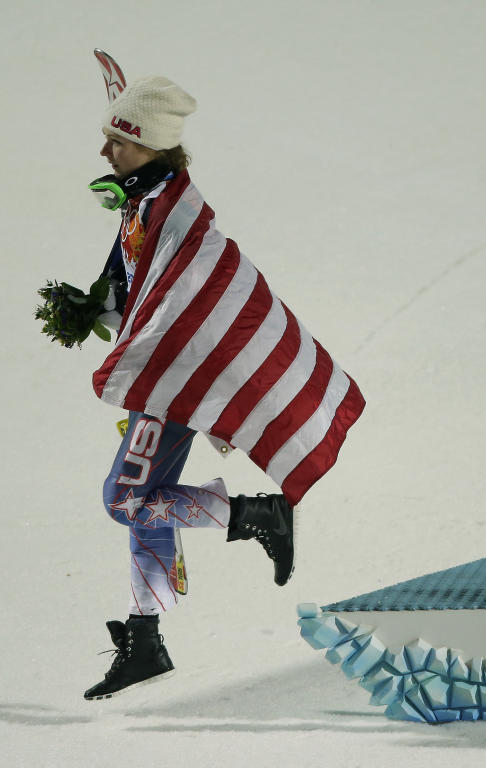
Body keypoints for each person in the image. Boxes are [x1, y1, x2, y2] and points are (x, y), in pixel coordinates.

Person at [82, 76, 365, 700]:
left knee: (125, 500)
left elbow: (186, 301)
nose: (105, 154)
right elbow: (140, 284)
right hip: (166, 376)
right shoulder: (144, 202)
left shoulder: (172, 211)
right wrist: (96, 307)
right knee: (146, 505)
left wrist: (145, 359)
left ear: (150, 146)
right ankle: (146, 637)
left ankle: (256, 513)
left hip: (174, 381)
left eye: (116, 143)